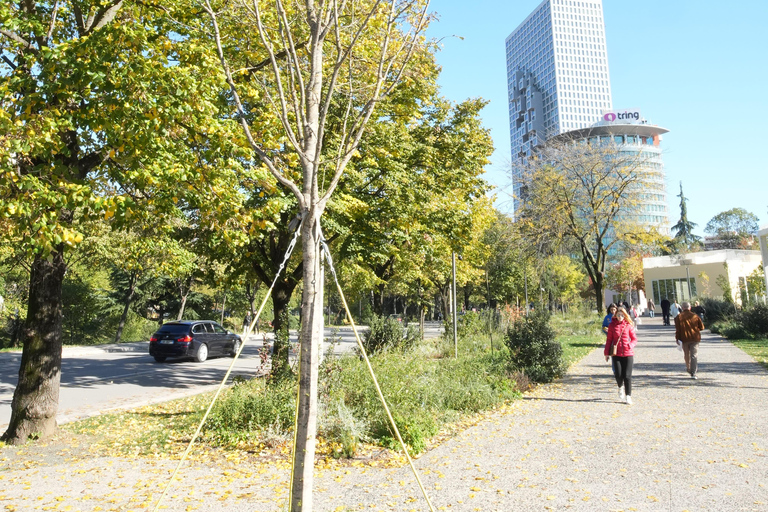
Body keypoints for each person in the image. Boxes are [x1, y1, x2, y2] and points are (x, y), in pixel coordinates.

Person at [604, 306, 638, 404]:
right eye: (618, 315)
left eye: (622, 315)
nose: (620, 317)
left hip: (628, 353)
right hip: (616, 354)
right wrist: (606, 353)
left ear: (625, 315)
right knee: (618, 375)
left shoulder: (628, 325)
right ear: (615, 315)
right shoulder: (612, 326)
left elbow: (634, 339)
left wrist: (630, 345)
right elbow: (609, 340)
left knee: (627, 376)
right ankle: (620, 387)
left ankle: (628, 396)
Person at [675, 301, 705, 379]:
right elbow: (702, 327)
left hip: (684, 338)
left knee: (686, 354)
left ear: (682, 308)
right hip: (695, 338)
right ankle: (693, 372)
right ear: (690, 307)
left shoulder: (678, 317)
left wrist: (677, 338)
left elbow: (678, 330)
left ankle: (688, 368)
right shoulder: (695, 316)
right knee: (694, 355)